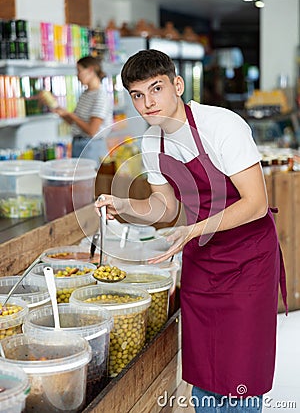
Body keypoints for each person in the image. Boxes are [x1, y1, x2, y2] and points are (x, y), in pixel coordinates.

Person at [95, 49, 287, 412]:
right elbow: (165, 206)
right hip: (202, 259)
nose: (148, 102)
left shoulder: (221, 125)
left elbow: (255, 203)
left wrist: (194, 228)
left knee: (240, 370)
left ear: (177, 85)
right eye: (137, 95)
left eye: (156, 89)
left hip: (248, 258)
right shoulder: (153, 143)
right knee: (203, 369)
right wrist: (126, 207)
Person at [45, 56, 113, 165]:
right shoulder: (86, 94)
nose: (77, 75)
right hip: (79, 145)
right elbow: (75, 122)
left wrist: (71, 115)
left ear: (90, 70)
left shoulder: (100, 96)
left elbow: (92, 130)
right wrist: (61, 112)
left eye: (79, 71)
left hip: (91, 147)